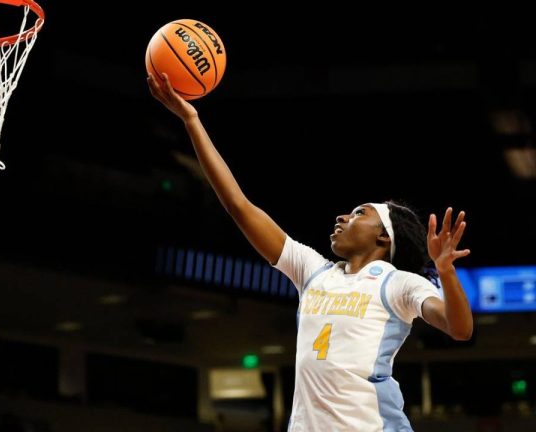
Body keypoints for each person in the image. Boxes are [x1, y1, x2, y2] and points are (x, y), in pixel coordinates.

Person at [147, 73, 474, 432]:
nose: (342, 216)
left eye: (359, 213)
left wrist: (445, 272)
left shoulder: (398, 285)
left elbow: (459, 329)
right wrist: (191, 121)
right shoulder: (314, 271)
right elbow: (239, 206)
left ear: (384, 237)